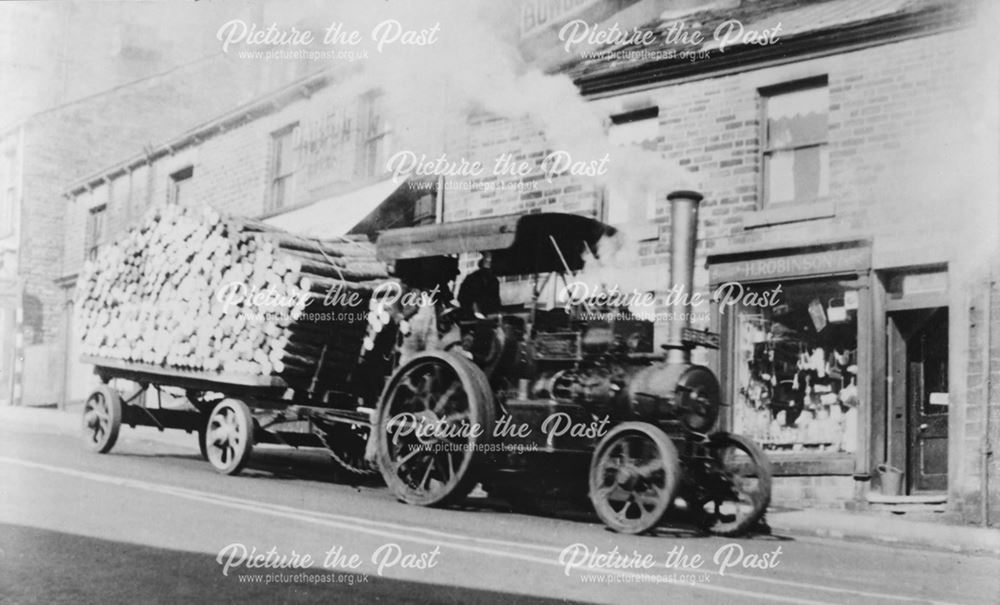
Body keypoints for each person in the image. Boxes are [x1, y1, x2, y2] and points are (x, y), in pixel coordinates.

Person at [458, 252, 501, 318]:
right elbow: (464, 298)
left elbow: (495, 300)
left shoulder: (494, 281)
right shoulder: (472, 279)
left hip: (489, 314)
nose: (489, 271)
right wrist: (474, 309)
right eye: (487, 270)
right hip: (471, 314)